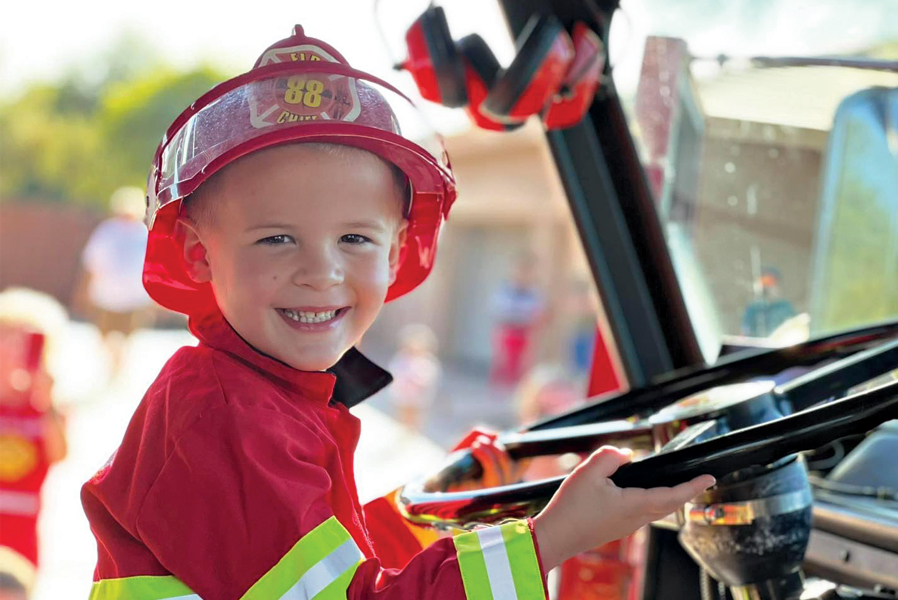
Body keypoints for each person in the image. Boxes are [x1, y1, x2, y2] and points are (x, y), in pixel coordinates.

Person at [80, 26, 714, 600]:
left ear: (395, 252)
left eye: (355, 239)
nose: (322, 272)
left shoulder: (262, 395)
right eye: (276, 238)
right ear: (200, 254)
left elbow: (332, 564)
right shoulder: (224, 415)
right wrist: (551, 539)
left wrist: (458, 492)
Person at [0, 288, 69, 597]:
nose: (13, 349)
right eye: (7, 337)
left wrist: (46, 401)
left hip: (22, 532)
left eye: (25, 340)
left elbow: (60, 454)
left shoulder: (46, 405)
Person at [79, 186, 155, 377]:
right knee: (104, 334)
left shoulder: (143, 234)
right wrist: (86, 289)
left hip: (133, 297)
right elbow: (92, 262)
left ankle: (119, 367)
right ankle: (112, 364)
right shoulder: (107, 231)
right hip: (107, 296)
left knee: (127, 336)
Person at [490, 255, 546, 386]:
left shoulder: (534, 292)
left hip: (525, 333)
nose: (523, 274)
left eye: (527, 270)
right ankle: (499, 388)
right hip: (507, 330)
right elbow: (496, 309)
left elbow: (539, 313)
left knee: (521, 367)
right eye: (520, 269)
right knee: (502, 364)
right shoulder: (505, 289)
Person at [388, 323, 441, 432]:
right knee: (402, 414)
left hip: (418, 396)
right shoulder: (402, 358)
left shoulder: (427, 361)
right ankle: (402, 430)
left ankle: (413, 431)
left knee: (415, 416)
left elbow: (430, 375)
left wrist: (420, 381)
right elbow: (395, 371)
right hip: (403, 394)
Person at [741, 267, 798, 338]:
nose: (767, 287)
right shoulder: (754, 308)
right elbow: (746, 333)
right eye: (763, 282)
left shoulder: (785, 307)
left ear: (778, 285)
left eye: (770, 282)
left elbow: (794, 329)